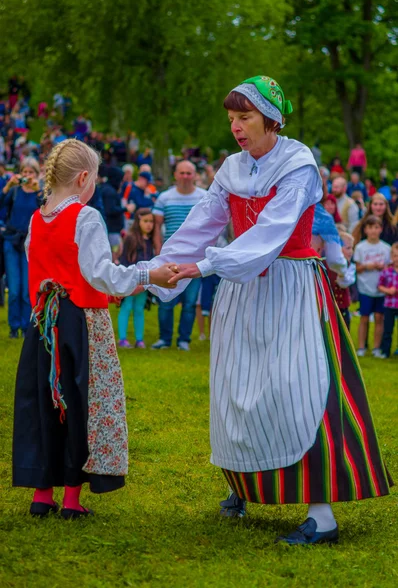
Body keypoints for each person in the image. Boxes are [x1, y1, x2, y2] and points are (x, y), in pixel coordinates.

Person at [147, 75, 392, 545]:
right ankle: (242, 488)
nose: (236, 128)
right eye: (232, 119)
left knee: (296, 385)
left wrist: (204, 266)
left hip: (290, 286)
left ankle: (322, 516)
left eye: (245, 118)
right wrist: (160, 267)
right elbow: (203, 222)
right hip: (243, 287)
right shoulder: (231, 168)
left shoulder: (299, 164)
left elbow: (271, 233)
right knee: (237, 385)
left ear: (271, 119)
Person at [12, 139, 177, 519]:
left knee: (45, 402)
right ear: (85, 178)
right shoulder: (85, 218)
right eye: (96, 181)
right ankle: (70, 497)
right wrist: (148, 274)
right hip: (79, 323)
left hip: (43, 325)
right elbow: (102, 275)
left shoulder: (37, 220)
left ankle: (42, 493)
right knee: (79, 403)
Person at [151, 161, 206, 351]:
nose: (185, 176)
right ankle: (164, 339)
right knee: (165, 300)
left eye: (188, 173)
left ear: (194, 175)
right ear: (175, 175)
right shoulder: (164, 198)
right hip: (169, 257)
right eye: (181, 173)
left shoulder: (203, 197)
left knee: (190, 302)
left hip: (195, 258)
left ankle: (184, 339)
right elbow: (157, 227)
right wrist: (158, 251)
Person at [0, 158, 42, 337]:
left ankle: (26, 326)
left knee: (26, 290)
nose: (27, 176)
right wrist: (8, 185)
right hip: (11, 240)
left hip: (30, 243)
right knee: (15, 289)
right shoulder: (15, 191)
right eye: (24, 172)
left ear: (36, 174)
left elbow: (47, 208)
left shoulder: (38, 193)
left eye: (30, 172)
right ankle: (13, 327)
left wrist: (38, 189)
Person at [353, 215, 391, 357]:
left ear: (380, 229)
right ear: (365, 229)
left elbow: (390, 267)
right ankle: (362, 347)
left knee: (379, 317)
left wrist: (383, 267)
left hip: (381, 289)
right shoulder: (361, 247)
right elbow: (356, 267)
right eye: (370, 227)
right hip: (365, 288)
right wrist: (368, 266)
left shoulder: (386, 248)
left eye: (376, 227)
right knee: (364, 318)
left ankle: (376, 347)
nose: (373, 230)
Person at [117, 209, 155, 348]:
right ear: (138, 222)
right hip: (130, 281)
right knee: (126, 307)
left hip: (145, 283)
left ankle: (139, 340)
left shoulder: (152, 241)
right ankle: (123, 339)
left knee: (139, 309)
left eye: (151, 221)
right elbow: (124, 260)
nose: (149, 225)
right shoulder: (130, 238)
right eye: (145, 221)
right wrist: (127, 280)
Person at [327, 232, 356, 329]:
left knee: (344, 331)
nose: (351, 251)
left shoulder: (350, 266)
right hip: (329, 306)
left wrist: (341, 271)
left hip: (343, 307)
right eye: (348, 248)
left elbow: (344, 283)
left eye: (352, 248)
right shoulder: (326, 263)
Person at [376, 242, 398, 358]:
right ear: (391, 257)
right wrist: (388, 290)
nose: (397, 259)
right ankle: (385, 351)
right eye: (395, 256)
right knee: (388, 329)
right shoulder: (386, 272)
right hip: (389, 305)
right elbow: (379, 285)